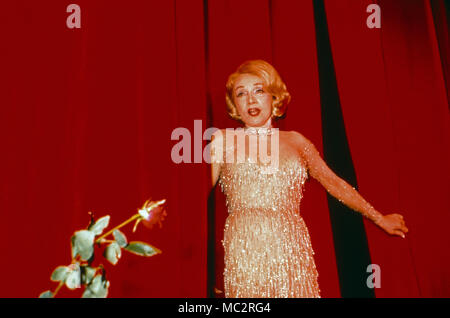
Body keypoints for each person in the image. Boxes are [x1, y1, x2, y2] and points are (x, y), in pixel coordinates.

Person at [209, 60, 408, 298]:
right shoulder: (221, 140)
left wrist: (378, 217)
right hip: (244, 245)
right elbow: (197, 201)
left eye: (259, 90)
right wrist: (209, 266)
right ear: (234, 105)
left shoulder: (297, 142)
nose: (251, 100)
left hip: (291, 245)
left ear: (274, 97)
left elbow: (333, 182)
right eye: (241, 94)